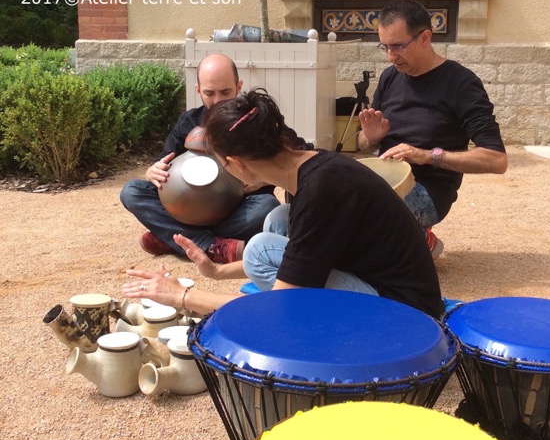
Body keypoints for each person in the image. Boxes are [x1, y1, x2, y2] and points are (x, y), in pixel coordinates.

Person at [123, 88, 444, 319]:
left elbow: (278, 304)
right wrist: (217, 271)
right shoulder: (314, 167)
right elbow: (304, 255)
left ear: (237, 164)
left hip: (403, 315)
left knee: (262, 247)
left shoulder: (322, 190)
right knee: (280, 220)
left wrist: (182, 296)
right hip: (388, 288)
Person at [358, 0, 508, 259]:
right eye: (385, 47)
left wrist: (427, 156)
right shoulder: (390, 76)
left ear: (425, 37)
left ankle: (415, 239)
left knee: (352, 210)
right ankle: (411, 240)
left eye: (398, 47)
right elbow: (363, 143)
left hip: (427, 193)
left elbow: (496, 160)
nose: (391, 56)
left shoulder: (461, 83)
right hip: (384, 182)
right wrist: (370, 139)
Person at [120, 54, 283, 263]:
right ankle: (210, 245)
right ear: (198, 89)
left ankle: (174, 238)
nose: (217, 101)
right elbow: (163, 161)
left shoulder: (257, 120)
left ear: (239, 85)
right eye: (209, 93)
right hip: (188, 209)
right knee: (132, 191)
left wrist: (263, 178)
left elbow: (295, 160)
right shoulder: (188, 121)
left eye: (225, 92)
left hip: (240, 209)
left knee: (267, 207)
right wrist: (153, 172)